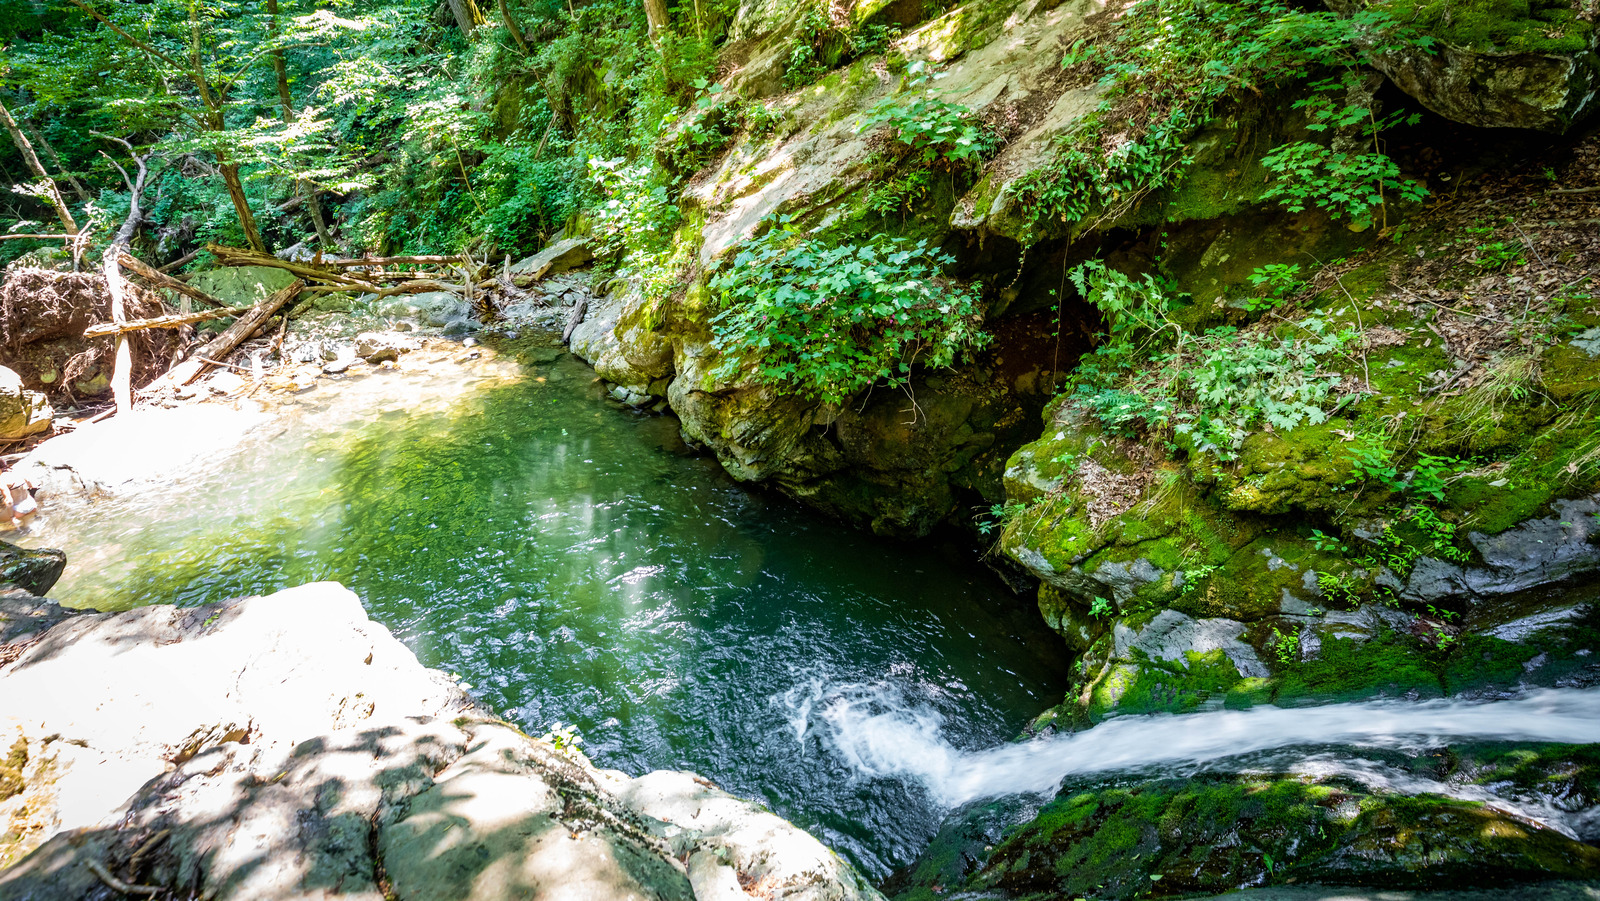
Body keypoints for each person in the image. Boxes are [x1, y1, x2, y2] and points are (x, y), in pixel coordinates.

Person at [0, 463, 37, 530]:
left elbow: (9, 501)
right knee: (29, 528)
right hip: (32, 505)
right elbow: (30, 484)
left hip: (18, 510)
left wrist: (12, 518)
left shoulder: (2, 480)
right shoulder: (17, 472)